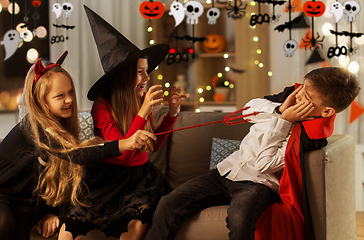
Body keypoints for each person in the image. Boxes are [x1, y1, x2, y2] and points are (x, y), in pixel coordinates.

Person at [145, 67, 360, 240]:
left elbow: (263, 165)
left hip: (258, 184)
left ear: (327, 111)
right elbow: (249, 110)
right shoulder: (289, 97)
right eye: (303, 87)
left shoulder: (308, 138)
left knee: (240, 219)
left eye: (308, 95)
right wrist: (278, 111)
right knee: (168, 203)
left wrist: (283, 122)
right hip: (226, 171)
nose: (300, 94)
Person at [59, 6, 186, 240]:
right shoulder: (102, 106)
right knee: (72, 228)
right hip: (106, 176)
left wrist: (171, 114)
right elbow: (123, 153)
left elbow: (152, 145)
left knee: (135, 228)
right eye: (140, 72)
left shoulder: (140, 103)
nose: (147, 78)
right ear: (124, 75)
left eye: (147, 72)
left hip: (140, 179)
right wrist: (146, 109)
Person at [0, 51, 155, 240]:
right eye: (60, 96)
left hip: (27, 202)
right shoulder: (35, 127)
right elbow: (77, 155)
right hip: (2, 193)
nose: (69, 100)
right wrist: (125, 143)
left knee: (21, 229)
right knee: (4, 223)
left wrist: (51, 212)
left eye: (70, 92)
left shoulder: (61, 128)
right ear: (42, 101)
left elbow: (61, 177)